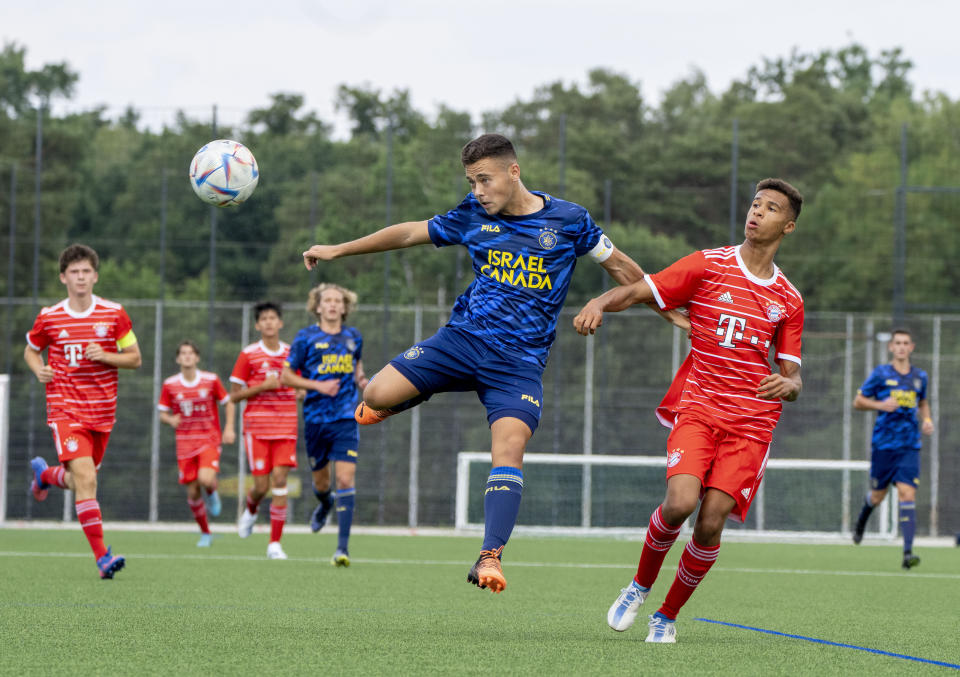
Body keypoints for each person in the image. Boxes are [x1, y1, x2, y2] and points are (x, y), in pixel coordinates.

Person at [302, 133, 686, 593]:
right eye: (472, 181)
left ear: (514, 172)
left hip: (518, 365)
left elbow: (623, 268)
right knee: (375, 395)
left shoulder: (569, 220)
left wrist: (670, 312)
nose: (478, 190)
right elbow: (408, 233)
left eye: (484, 180)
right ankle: (418, 388)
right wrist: (338, 249)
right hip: (461, 342)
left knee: (509, 449)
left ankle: (490, 556)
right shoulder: (471, 214)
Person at [575, 178, 804, 643]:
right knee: (679, 503)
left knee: (711, 520)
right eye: (755, 204)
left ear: (788, 226)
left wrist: (790, 383)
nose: (757, 213)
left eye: (771, 208)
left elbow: (793, 377)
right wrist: (600, 301)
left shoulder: (789, 299)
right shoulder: (708, 263)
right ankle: (638, 587)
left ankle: (667, 614)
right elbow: (642, 289)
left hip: (752, 425)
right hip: (700, 409)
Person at [25, 243, 143, 579]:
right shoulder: (50, 317)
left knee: (81, 480)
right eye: (74, 272)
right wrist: (38, 369)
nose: (80, 277)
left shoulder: (114, 314)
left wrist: (105, 355)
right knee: (87, 479)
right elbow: (31, 351)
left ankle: (45, 476)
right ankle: (102, 557)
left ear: (95, 276)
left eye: (86, 271)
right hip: (65, 410)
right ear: (64, 277)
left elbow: (134, 358)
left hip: (102, 414)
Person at [281, 283, 368, 566]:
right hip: (316, 419)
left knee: (345, 479)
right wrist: (316, 385)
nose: (332, 305)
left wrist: (365, 382)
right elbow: (286, 376)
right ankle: (324, 503)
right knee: (322, 482)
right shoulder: (305, 338)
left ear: (345, 307)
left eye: (337, 301)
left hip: (345, 417)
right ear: (317, 306)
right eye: (327, 300)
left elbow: (357, 369)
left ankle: (342, 549)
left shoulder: (354, 337)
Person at [851, 328, 934, 569]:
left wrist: (927, 420)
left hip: (909, 446)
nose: (901, 347)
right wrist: (880, 404)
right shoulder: (880, 374)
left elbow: (923, 402)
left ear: (911, 347)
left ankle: (908, 554)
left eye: (905, 343)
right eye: (897, 343)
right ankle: (861, 522)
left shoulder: (920, 377)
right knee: (878, 497)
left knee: (907, 494)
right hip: (884, 446)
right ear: (891, 347)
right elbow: (858, 401)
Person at [229, 302, 299, 559]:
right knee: (260, 485)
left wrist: (303, 392)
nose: (269, 322)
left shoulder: (293, 353)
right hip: (257, 428)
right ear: (257, 325)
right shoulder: (248, 354)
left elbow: (299, 386)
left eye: (273, 318)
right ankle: (250, 509)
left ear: (280, 323)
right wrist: (262, 387)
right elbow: (234, 396)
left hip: (286, 427)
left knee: (280, 481)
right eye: (264, 319)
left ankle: (274, 544)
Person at [157, 340, 236, 547]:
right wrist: (170, 420)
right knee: (192, 492)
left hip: (208, 439)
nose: (187, 356)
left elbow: (228, 403)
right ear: (177, 358)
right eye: (183, 353)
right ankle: (206, 533)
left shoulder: (211, 380)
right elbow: (162, 413)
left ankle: (211, 491)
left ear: (197, 357)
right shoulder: (170, 384)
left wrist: (229, 428)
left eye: (191, 353)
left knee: (205, 478)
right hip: (184, 444)